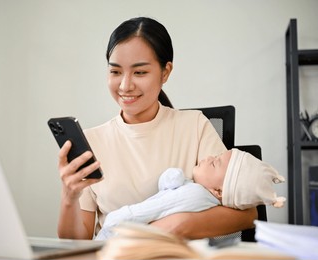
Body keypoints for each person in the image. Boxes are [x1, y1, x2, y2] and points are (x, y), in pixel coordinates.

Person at [57, 17, 257, 240]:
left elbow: (247, 215)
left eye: (140, 72)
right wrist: (69, 196)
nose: (125, 85)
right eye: (115, 72)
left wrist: (172, 227)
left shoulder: (195, 126)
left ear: (165, 72)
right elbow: (76, 243)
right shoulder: (91, 142)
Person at [95, 148, 286, 240]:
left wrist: (116, 220)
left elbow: (152, 208)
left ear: (218, 191)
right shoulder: (201, 195)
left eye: (214, 162)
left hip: (117, 238)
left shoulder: (194, 195)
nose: (210, 156)